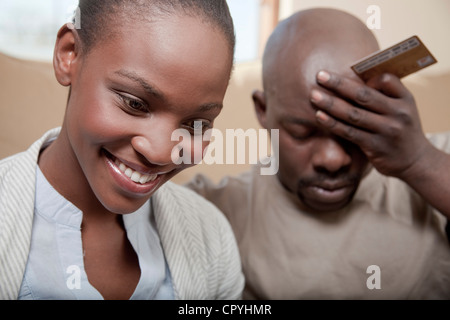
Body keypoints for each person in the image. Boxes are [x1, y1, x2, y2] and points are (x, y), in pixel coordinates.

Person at [187, 7, 450, 299]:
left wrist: (419, 162)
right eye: (303, 133)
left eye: (354, 128)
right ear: (263, 111)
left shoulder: (437, 160)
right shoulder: (215, 209)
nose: (333, 159)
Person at [0, 0, 244, 300]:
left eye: (196, 124)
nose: (161, 153)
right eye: (134, 103)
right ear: (69, 54)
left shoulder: (211, 238)